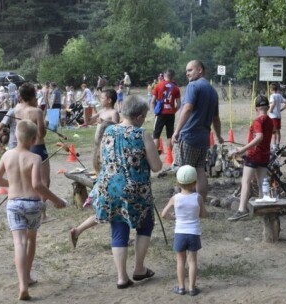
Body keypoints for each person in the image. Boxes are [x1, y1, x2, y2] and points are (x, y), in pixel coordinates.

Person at [89, 95, 162, 289]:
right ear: (138, 117)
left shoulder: (108, 130)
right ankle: (139, 268)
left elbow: (103, 158)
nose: (144, 120)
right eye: (144, 116)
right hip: (136, 190)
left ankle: (122, 277)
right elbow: (156, 167)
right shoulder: (142, 134)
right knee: (145, 226)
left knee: (118, 230)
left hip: (110, 188)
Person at [0, 119, 67, 300]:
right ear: (34, 139)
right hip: (33, 205)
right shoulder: (35, 158)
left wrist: (13, 185)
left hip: (14, 204)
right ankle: (28, 275)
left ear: (15, 135)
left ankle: (23, 284)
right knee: (31, 240)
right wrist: (56, 200)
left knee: (19, 243)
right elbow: (37, 185)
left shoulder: (7, 155)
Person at [172, 60, 224, 203]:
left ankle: (185, 205)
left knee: (184, 172)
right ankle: (200, 204)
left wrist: (177, 131)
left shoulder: (193, 86)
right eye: (186, 71)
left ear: (200, 70)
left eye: (190, 70)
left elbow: (187, 108)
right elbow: (216, 118)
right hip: (203, 138)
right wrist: (218, 136)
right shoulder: (213, 91)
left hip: (189, 136)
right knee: (200, 171)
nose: (187, 73)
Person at [161, 165, 208, 296]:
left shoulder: (175, 198)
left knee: (180, 261)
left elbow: (164, 214)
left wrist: (173, 218)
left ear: (177, 182)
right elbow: (204, 214)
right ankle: (192, 288)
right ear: (195, 183)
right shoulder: (198, 197)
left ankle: (181, 287)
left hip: (180, 233)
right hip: (194, 233)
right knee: (192, 261)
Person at [69, 120, 116, 249]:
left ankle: (77, 231)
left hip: (102, 187)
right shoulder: (107, 148)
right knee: (115, 214)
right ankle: (119, 239)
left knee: (102, 215)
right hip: (110, 187)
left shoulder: (98, 149)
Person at [228, 95, 273, 221]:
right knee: (261, 182)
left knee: (245, 181)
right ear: (268, 107)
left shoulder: (258, 121)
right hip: (265, 155)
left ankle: (241, 209)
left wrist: (243, 149)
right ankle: (262, 206)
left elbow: (259, 137)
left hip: (254, 155)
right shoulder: (269, 120)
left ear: (256, 108)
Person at [14, 83, 54, 224]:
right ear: (33, 96)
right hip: (37, 148)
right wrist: (45, 125)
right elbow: (41, 134)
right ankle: (42, 215)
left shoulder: (17, 109)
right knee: (44, 181)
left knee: (29, 180)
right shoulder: (36, 111)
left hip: (23, 148)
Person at [151, 69, 181, 152]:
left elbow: (152, 102)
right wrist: (174, 111)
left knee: (156, 135)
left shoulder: (158, 86)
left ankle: (155, 154)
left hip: (160, 113)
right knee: (169, 135)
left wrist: (154, 112)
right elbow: (178, 104)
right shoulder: (176, 88)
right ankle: (169, 155)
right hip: (171, 114)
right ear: (173, 77)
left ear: (164, 76)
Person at [268, 83, 286, 150]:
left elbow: (273, 103)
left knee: (273, 132)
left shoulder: (272, 96)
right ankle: (277, 145)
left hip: (273, 116)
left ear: (271, 89)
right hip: (278, 116)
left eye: (269, 89)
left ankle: (274, 146)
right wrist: (281, 110)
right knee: (278, 131)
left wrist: (270, 110)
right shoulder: (279, 95)